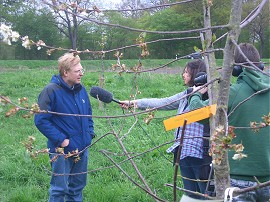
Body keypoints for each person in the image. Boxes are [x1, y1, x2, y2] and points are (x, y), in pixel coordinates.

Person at [188, 43, 270, 201]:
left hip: (239, 179)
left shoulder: (232, 94)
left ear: (235, 69)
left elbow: (195, 114)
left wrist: (196, 93)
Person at [120, 59, 212, 199]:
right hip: (183, 152)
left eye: (186, 72)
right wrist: (134, 103)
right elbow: (163, 102)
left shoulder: (211, 97)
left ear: (195, 74)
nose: (183, 75)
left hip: (202, 156)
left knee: (206, 196)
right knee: (191, 195)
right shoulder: (186, 94)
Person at [34, 53, 95, 202]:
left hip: (82, 148)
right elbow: (41, 120)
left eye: (82, 70)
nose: (81, 74)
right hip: (61, 151)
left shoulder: (81, 90)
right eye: (77, 71)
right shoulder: (51, 91)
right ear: (65, 72)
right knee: (59, 190)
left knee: (76, 189)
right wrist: (62, 140)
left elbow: (88, 114)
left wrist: (90, 133)